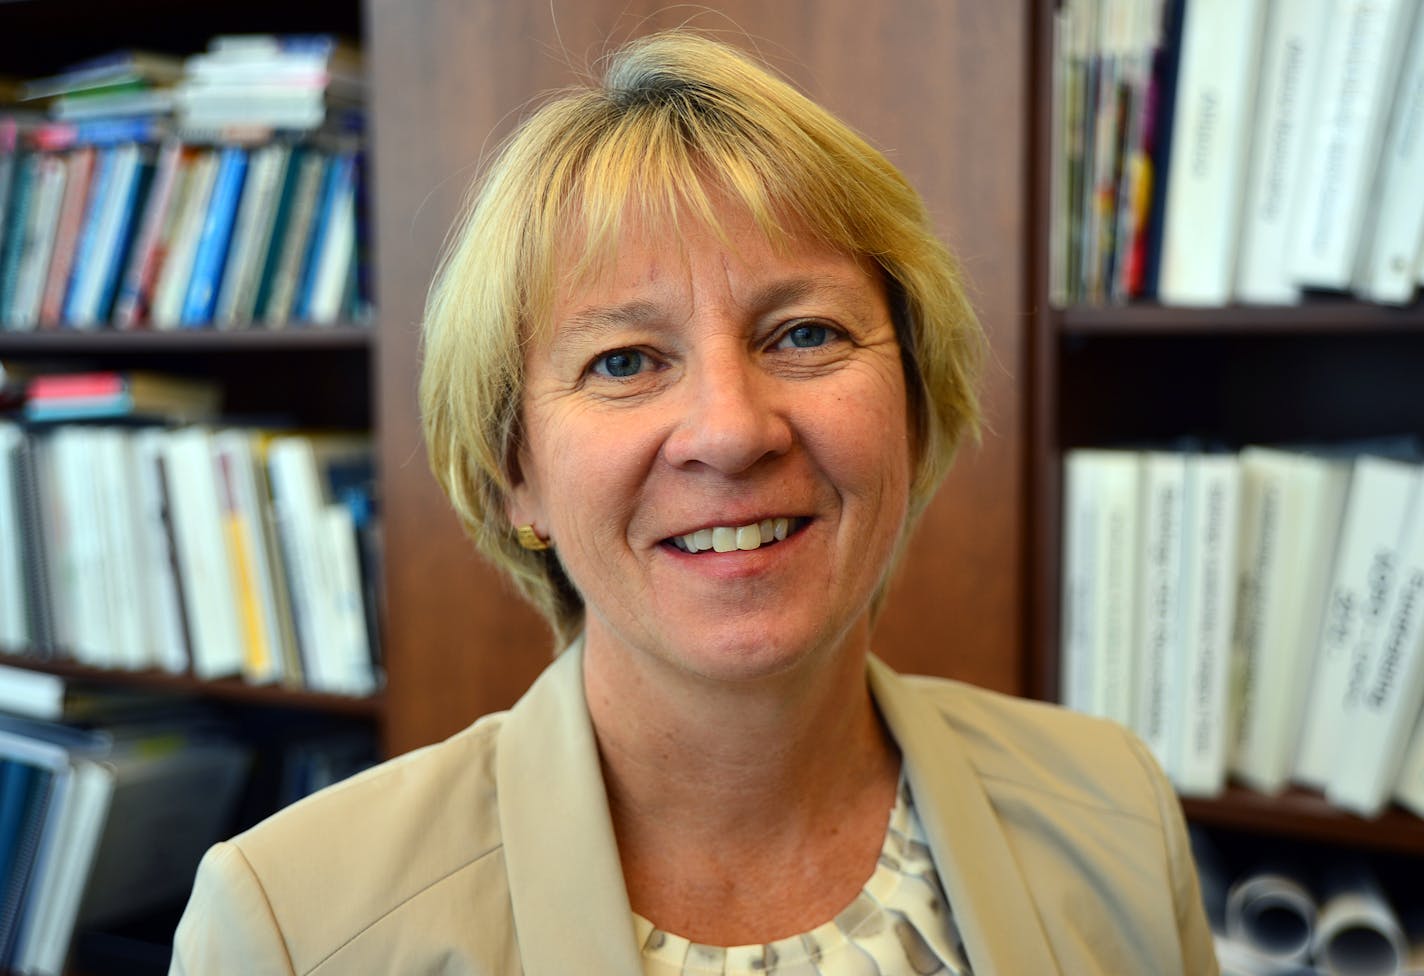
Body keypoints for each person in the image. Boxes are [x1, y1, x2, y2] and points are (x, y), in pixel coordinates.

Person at [172, 30, 1218, 975]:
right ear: (513, 474)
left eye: (803, 333)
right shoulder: (292, 927)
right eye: (624, 359)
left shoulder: (1113, 810)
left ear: (911, 395)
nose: (730, 430)